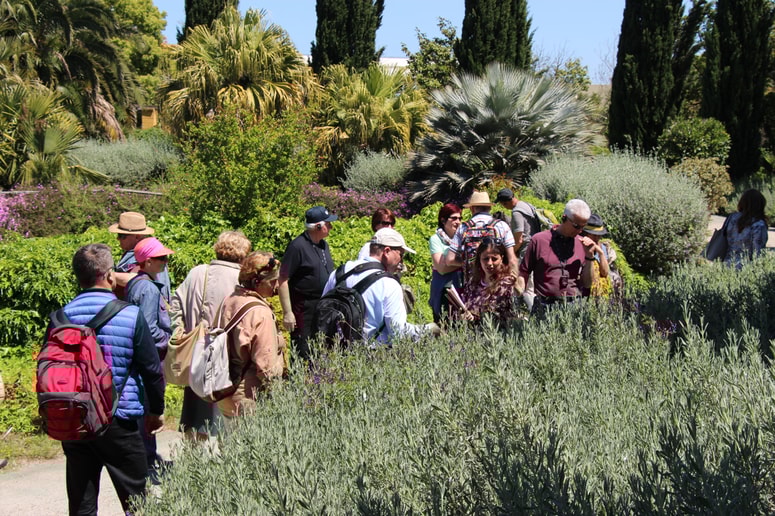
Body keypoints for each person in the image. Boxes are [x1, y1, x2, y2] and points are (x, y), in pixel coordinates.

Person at [55, 244, 164, 515]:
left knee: (81, 499)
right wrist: (156, 411)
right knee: (136, 500)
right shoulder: (129, 313)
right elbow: (151, 368)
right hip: (119, 417)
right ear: (109, 275)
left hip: (76, 416)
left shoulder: (60, 317)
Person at [170, 231, 252, 440]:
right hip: (228, 359)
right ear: (243, 253)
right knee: (229, 420)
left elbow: (175, 305)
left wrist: (181, 331)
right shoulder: (241, 279)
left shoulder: (198, 272)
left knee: (196, 419)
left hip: (197, 353)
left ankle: (192, 465)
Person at [322, 228, 440, 344]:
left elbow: (323, 308)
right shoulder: (389, 284)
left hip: (333, 353)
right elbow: (399, 333)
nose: (401, 262)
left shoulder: (339, 273)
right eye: (401, 255)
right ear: (387, 251)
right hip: (371, 356)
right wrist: (427, 330)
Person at [124, 237, 173, 477]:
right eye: (161, 258)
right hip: (150, 356)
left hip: (137, 356)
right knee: (150, 409)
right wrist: (168, 339)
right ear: (148, 261)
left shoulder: (136, 283)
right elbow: (148, 327)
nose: (165, 262)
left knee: (142, 408)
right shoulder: (149, 289)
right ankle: (149, 464)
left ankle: (145, 461)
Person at [217, 251, 286, 418]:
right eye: (272, 281)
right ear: (257, 282)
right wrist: (281, 397)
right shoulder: (260, 313)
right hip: (249, 396)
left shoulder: (231, 299)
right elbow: (266, 365)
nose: (276, 286)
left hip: (226, 390)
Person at [518, 199, 597, 314]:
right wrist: (519, 298)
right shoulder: (539, 240)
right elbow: (523, 273)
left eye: (583, 227)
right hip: (544, 306)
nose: (580, 231)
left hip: (573, 306)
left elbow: (588, 284)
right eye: (576, 226)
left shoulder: (582, 244)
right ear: (564, 218)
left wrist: (590, 257)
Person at [279, 206, 337, 361]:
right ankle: (297, 383)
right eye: (328, 223)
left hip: (322, 306)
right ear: (318, 226)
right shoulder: (297, 246)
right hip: (303, 308)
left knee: (320, 350)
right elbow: (283, 279)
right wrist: (287, 313)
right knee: (302, 351)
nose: (331, 227)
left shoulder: (324, 245)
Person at [445, 191, 518, 285]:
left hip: (472, 283)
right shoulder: (501, 225)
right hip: (497, 283)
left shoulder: (463, 228)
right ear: (490, 208)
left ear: (472, 209)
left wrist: (468, 263)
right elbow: (512, 259)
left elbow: (450, 260)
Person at [108, 211, 171, 301]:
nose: (118, 238)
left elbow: (135, 278)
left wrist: (107, 275)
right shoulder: (130, 253)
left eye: (122, 235)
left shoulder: (147, 254)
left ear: (137, 236)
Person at [456, 237, 521, 324]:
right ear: (479, 258)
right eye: (485, 259)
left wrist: (475, 317)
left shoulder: (506, 283)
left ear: (502, 258)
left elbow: (500, 315)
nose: (490, 263)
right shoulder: (473, 282)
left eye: (494, 259)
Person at [496, 187, 540, 310]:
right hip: (536, 249)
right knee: (532, 285)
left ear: (505, 202)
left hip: (526, 251)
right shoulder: (526, 205)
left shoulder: (516, 213)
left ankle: (528, 313)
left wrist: (510, 253)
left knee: (524, 286)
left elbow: (518, 239)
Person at [429, 203, 463, 323]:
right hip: (443, 289)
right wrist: (464, 264)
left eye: (460, 218)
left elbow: (446, 265)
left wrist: (450, 263)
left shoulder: (463, 238)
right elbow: (441, 268)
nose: (458, 222)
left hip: (462, 288)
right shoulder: (436, 239)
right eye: (453, 218)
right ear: (443, 220)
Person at [723, 189, 769, 269]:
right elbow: (758, 252)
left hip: (727, 263)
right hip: (746, 268)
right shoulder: (759, 224)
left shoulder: (732, 218)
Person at [580, 214, 622, 297]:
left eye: (599, 235)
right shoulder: (579, 246)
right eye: (594, 235)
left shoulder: (602, 247)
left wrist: (601, 253)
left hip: (598, 295)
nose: (597, 238)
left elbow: (604, 272)